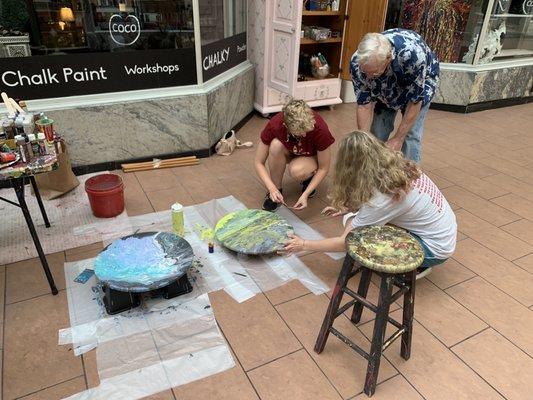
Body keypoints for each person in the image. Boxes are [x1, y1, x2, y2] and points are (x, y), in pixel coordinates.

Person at [284, 130, 456, 276]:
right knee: (354, 217)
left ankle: (417, 266)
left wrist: (304, 244)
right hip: (440, 233)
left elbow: (345, 242)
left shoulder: (382, 199)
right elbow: (381, 200)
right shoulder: (398, 167)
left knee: (355, 229)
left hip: (432, 250)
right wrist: (348, 208)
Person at [350, 29, 440, 163]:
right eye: (365, 72)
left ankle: (410, 178)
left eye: (373, 73)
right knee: (377, 133)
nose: (368, 77)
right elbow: (364, 105)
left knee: (410, 135)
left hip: (419, 80)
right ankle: (375, 174)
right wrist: (364, 141)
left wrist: (398, 138)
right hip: (385, 85)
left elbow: (415, 101)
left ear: (388, 58)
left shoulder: (413, 55)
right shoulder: (357, 63)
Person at [255, 99, 335, 212]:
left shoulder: (320, 129)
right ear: (286, 125)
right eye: (299, 131)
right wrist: (271, 188)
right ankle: (276, 191)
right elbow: (258, 162)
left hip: (310, 157)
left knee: (298, 171)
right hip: (289, 151)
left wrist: (305, 195)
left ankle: (309, 180)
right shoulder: (275, 124)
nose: (303, 134)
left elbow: (324, 168)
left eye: (306, 130)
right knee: (275, 145)